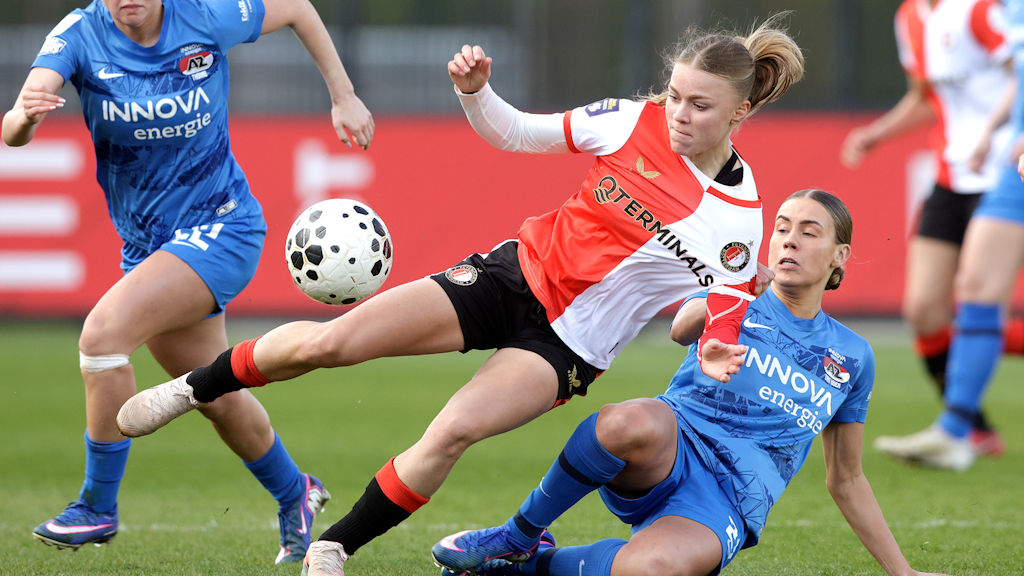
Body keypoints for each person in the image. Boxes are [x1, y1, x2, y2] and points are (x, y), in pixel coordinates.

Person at [117, 16, 805, 575]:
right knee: (334, 342)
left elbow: (724, 309)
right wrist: (477, 93)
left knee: (452, 432)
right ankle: (193, 388)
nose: (677, 113)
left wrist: (718, 343)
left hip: (568, 348)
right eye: (675, 95)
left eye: (699, 106)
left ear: (740, 112)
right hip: (509, 277)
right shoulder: (630, 121)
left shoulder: (738, 221)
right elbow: (516, 132)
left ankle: (333, 548)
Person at [1, 0, 374, 563]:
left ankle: (96, 506)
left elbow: (299, 7)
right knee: (209, 391)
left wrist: (343, 96)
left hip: (225, 228)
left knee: (102, 338)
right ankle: (294, 491)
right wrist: (26, 117)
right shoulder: (78, 35)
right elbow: (13, 128)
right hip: (150, 248)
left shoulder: (205, 15)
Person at [431, 189, 950, 576]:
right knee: (626, 421)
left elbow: (847, 479)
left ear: (839, 255)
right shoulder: (738, 292)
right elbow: (681, 328)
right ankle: (517, 535)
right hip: (671, 448)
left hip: (728, 501)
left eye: (809, 232)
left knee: (653, 568)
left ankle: (530, 567)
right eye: (782, 228)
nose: (790, 240)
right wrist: (726, 298)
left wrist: (902, 572)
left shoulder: (853, 356)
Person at [840, 0, 1019, 458]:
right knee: (923, 310)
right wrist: (878, 133)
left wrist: (995, 133)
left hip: (1005, 171)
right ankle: (972, 430)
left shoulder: (980, 9)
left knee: (979, 297)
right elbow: (925, 99)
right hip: (951, 175)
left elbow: (1019, 74)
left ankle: (958, 428)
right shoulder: (909, 18)